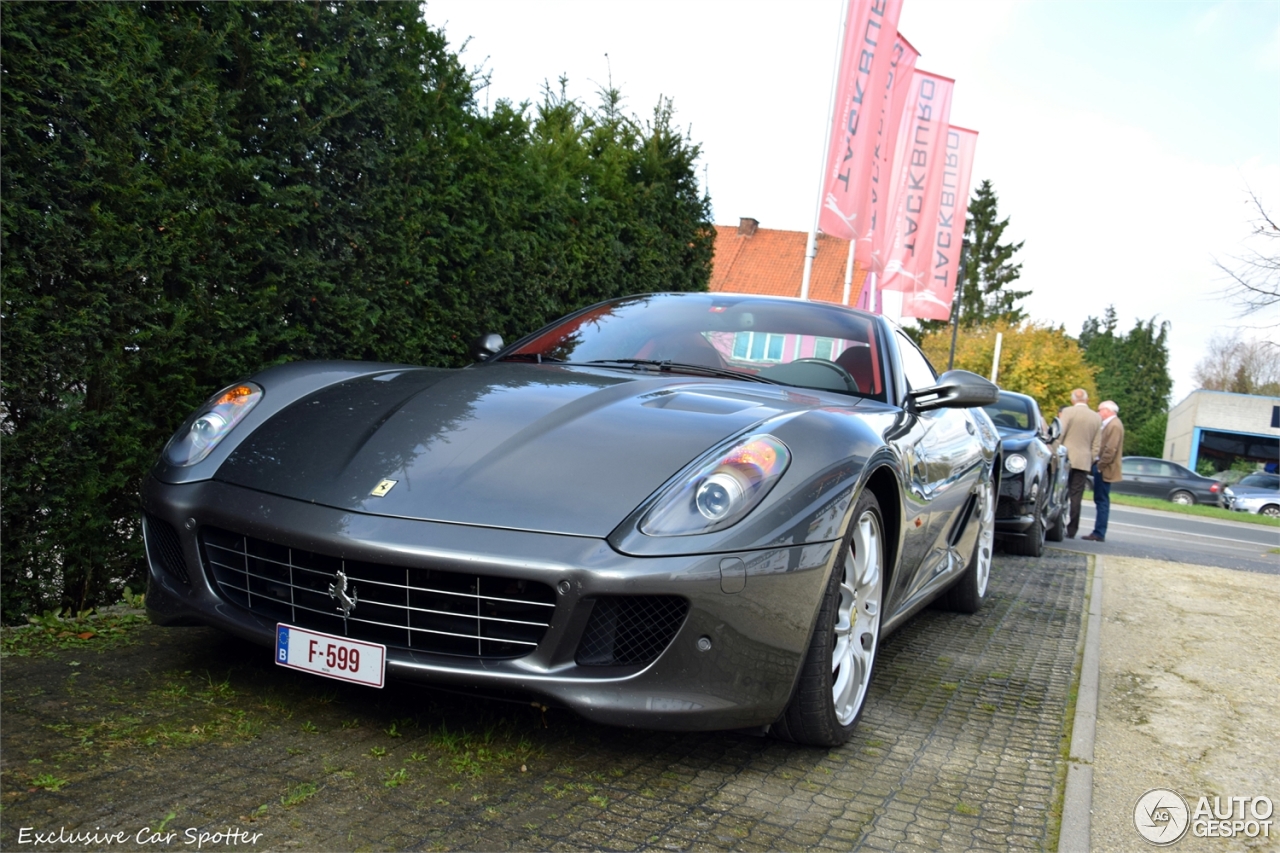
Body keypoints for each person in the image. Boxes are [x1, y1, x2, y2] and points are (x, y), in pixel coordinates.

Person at [1059, 388, 1101, 539]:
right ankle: (1072, 529)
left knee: (1060, 493)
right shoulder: (1096, 417)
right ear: (1087, 400)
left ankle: (1057, 523)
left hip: (1066, 458)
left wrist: (1055, 453)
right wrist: (1090, 459)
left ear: (1072, 400)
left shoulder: (1068, 412)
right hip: (1083, 461)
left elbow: (1060, 434)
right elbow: (1096, 445)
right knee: (1076, 496)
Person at [1083, 401, 1124, 542]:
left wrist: (1100, 466)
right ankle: (1098, 532)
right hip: (1102, 466)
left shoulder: (1114, 425)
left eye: (1100, 410)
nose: (1098, 412)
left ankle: (1099, 532)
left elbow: (1110, 449)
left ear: (1107, 410)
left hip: (1105, 468)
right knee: (1100, 499)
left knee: (1102, 500)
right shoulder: (1110, 424)